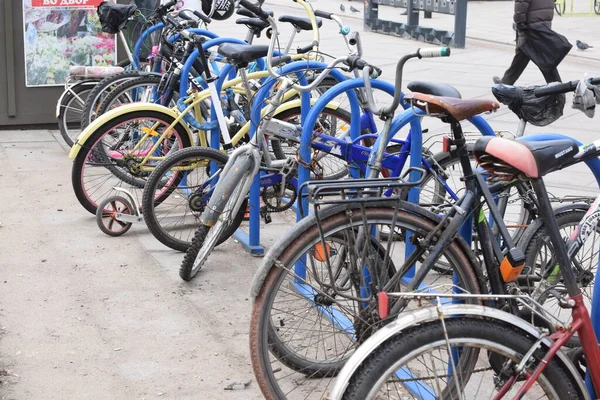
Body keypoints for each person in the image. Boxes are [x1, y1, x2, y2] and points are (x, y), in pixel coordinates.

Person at [493, 0, 562, 85]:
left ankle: (559, 91)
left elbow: (521, 4)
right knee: (523, 58)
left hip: (530, 27)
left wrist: (520, 22)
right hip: (542, 24)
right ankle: (505, 82)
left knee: (542, 61)